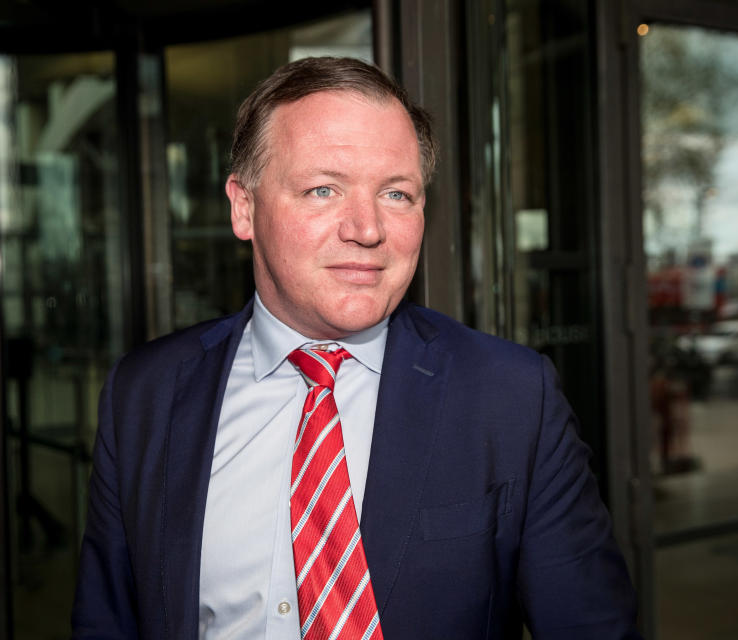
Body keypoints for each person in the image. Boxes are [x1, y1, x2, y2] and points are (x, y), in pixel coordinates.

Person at [72, 56, 640, 639]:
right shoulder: (145, 394)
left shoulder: (512, 397)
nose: (366, 228)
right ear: (244, 207)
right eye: (323, 189)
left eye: (396, 194)